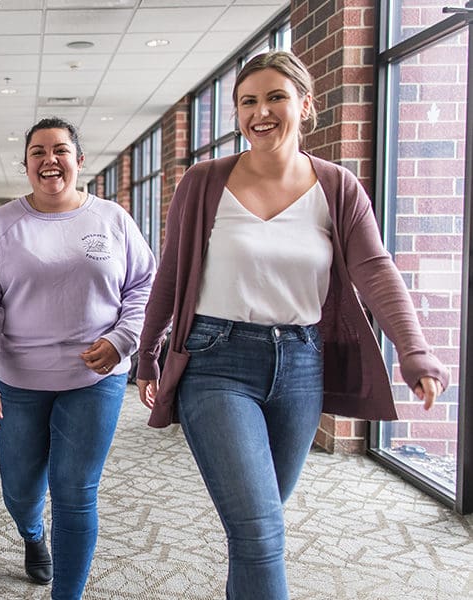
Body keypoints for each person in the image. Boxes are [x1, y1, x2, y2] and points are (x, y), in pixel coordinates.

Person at [136, 51, 449, 600]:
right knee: (261, 532)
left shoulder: (337, 186)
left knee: (258, 525)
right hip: (216, 361)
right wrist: (148, 353)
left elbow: (375, 269)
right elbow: (171, 275)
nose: (262, 111)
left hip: (301, 365)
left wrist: (414, 349)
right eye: (248, 101)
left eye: (276, 97)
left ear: (305, 105)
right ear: (237, 113)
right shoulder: (204, 182)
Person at [0, 117, 156, 600]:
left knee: (75, 491)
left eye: (60, 150)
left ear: (79, 160)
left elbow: (144, 285)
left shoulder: (112, 219)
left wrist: (123, 338)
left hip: (97, 379)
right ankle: (32, 535)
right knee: (21, 490)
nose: (50, 160)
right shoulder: (2, 225)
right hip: (19, 380)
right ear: (26, 164)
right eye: (38, 152)